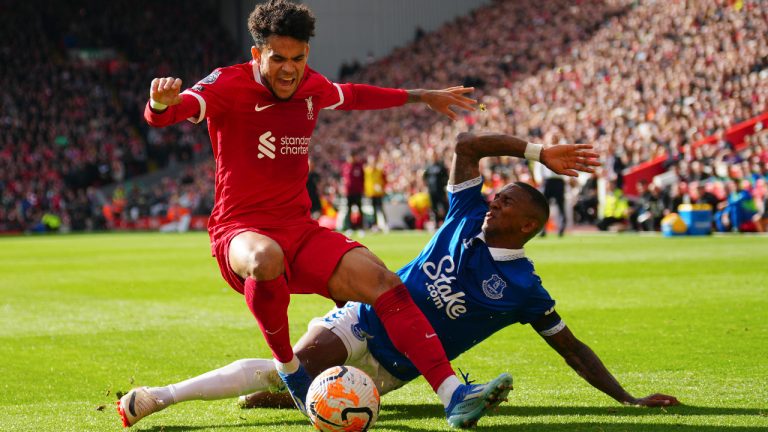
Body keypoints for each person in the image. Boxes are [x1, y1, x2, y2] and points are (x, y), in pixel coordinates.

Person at [117, 134, 678, 429]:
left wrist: (626, 399)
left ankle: (285, 397)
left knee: (315, 393)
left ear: (528, 225)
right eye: (495, 194)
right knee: (298, 364)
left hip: (394, 370)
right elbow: (467, 145)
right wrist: (534, 152)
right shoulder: (464, 216)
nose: (492, 201)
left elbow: (572, 349)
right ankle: (161, 397)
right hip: (362, 319)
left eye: (504, 201)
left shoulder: (525, 290)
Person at [125, 0, 501, 428]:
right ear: (257, 55)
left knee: (385, 282)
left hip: (301, 232)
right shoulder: (227, 85)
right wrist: (158, 104)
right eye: (278, 59)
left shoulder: (312, 85)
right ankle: (290, 371)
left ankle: (454, 395)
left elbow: (355, 95)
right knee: (266, 259)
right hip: (241, 231)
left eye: (299, 59)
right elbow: (171, 112)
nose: (290, 69)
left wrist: (420, 96)